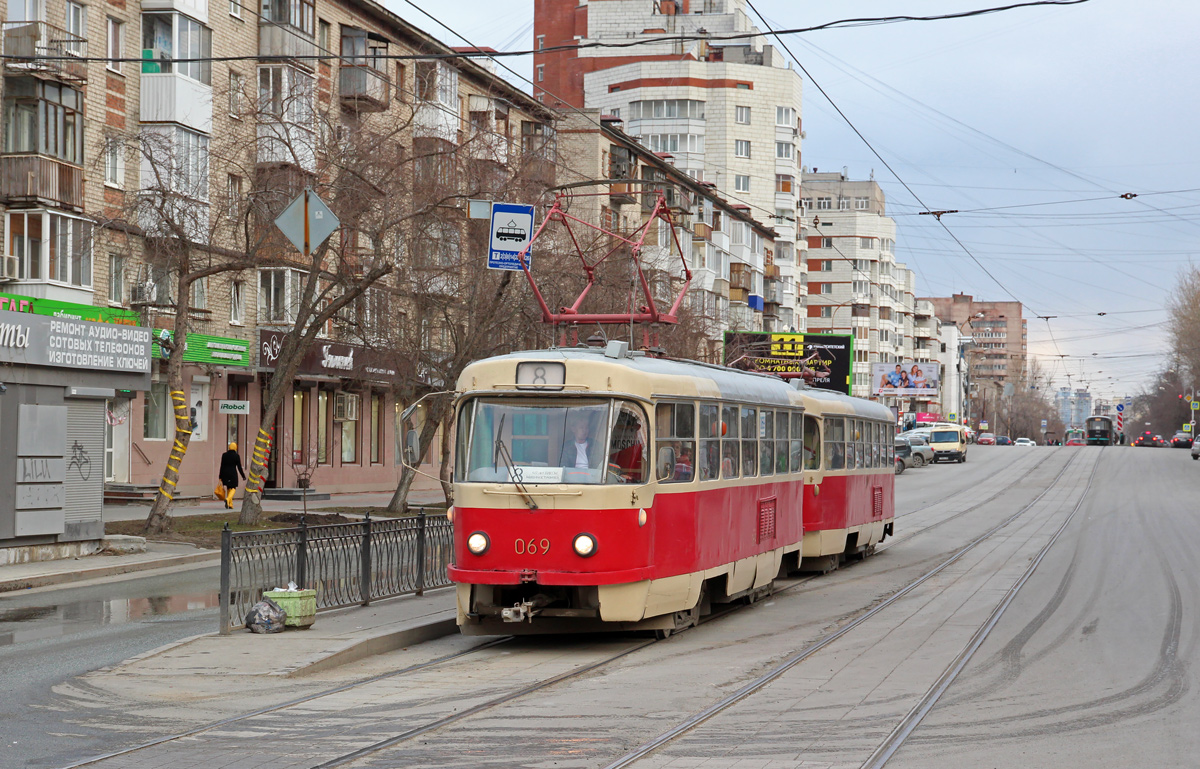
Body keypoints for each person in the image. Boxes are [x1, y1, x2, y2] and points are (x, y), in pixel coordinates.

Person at [219, 442, 246, 510]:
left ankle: (230, 504)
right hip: (232, 473)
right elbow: (239, 467)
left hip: (225, 473)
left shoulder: (224, 455)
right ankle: (228, 499)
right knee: (233, 488)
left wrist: (220, 476)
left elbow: (222, 466)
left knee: (228, 488)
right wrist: (243, 475)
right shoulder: (236, 456)